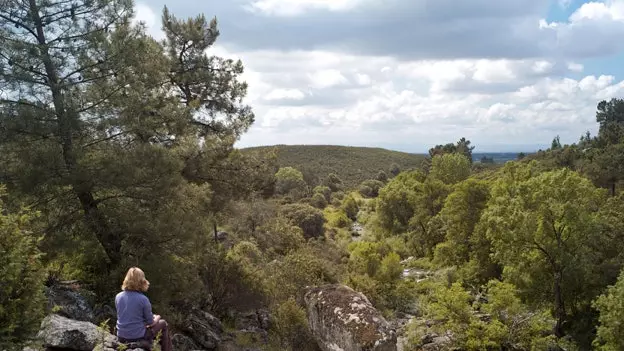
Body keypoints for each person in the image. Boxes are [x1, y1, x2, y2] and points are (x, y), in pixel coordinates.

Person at [115, 267, 172, 351]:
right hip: (137, 336)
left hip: (121, 336)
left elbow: (128, 315)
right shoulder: (143, 299)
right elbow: (150, 322)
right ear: (141, 281)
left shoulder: (118, 296)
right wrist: (157, 317)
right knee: (163, 323)